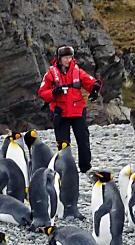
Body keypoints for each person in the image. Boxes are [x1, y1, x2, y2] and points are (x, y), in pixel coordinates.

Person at [38, 45, 103, 173]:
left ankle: (86, 167)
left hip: (77, 111)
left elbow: (90, 82)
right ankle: (65, 168)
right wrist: (53, 93)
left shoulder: (77, 71)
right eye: (65, 57)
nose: (68, 60)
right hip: (60, 112)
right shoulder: (51, 73)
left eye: (70, 57)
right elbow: (42, 92)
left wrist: (95, 88)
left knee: (83, 140)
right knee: (63, 144)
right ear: (59, 58)